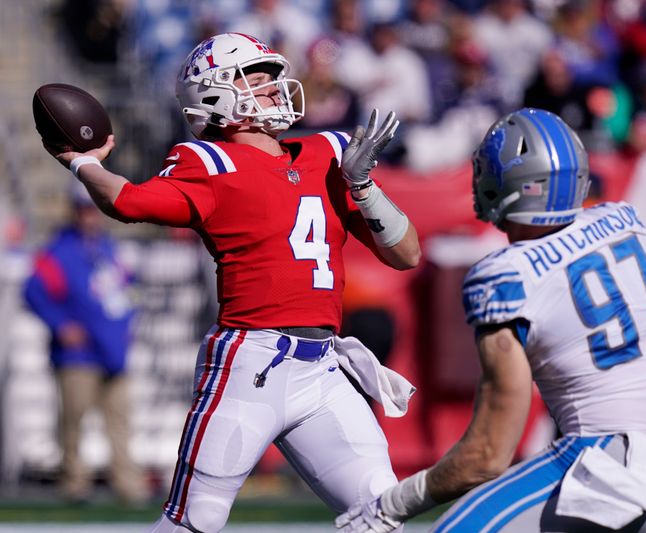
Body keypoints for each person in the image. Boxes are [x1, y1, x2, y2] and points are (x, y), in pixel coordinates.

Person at [42, 32, 421, 532]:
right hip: (250, 365)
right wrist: (85, 163)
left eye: (271, 79)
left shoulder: (329, 153)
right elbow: (128, 201)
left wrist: (363, 185)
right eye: (257, 80)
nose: (274, 89)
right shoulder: (207, 162)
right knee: (195, 520)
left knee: (381, 509)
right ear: (216, 96)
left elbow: (407, 253)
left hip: (324, 370)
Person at [335, 108, 646, 532]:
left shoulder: (506, 275)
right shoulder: (623, 227)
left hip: (604, 470)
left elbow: (487, 455)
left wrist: (391, 504)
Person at [23, 179, 148, 505]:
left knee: (120, 422)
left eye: (93, 210)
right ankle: (75, 482)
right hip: (78, 355)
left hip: (113, 350)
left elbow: (128, 291)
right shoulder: (59, 250)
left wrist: (126, 325)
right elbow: (34, 291)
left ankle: (128, 483)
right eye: (83, 210)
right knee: (74, 421)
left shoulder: (109, 249)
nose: (89, 217)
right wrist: (60, 324)